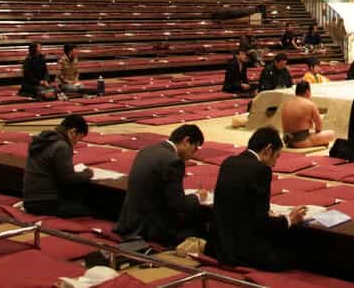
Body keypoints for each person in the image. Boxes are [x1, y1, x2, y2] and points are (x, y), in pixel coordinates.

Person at [208, 128, 305, 271]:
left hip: (219, 246)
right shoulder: (261, 170)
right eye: (276, 157)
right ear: (268, 149)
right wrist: (288, 219)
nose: (275, 164)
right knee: (299, 256)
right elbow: (260, 223)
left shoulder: (228, 162)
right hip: (244, 251)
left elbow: (241, 205)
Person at [115, 124, 209, 246]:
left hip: (130, 222)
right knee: (202, 230)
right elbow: (178, 205)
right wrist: (197, 197)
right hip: (152, 230)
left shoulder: (146, 150)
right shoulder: (173, 161)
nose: (193, 154)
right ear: (186, 141)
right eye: (195, 148)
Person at [23, 114, 94, 217]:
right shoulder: (61, 146)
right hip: (46, 202)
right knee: (93, 210)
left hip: (30, 200)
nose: (77, 143)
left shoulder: (44, 140)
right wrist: (88, 173)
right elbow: (69, 179)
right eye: (79, 138)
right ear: (73, 132)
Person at [281, 82, 335, 148]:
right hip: (301, 141)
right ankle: (315, 143)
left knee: (311, 134)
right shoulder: (309, 104)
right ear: (307, 92)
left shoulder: (286, 103)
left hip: (287, 140)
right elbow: (319, 128)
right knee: (331, 134)